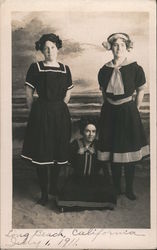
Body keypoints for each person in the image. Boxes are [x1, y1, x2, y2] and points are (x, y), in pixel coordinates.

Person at [21, 33, 74, 205]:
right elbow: (29, 94)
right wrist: (36, 111)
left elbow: (68, 93)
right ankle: (44, 192)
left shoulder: (65, 69)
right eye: (46, 48)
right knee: (42, 152)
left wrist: (58, 107)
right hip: (41, 114)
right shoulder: (35, 67)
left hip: (60, 114)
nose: (49, 50)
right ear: (41, 51)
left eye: (52, 47)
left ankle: (53, 187)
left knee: (59, 151)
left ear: (57, 49)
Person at [97, 33, 149, 200]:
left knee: (128, 150)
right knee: (113, 150)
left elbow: (141, 89)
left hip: (128, 112)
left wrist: (135, 107)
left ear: (127, 47)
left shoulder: (135, 68)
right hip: (110, 113)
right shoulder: (104, 70)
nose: (118, 48)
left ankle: (129, 189)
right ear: (110, 48)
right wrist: (109, 106)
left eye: (121, 45)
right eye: (115, 45)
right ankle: (117, 187)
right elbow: (104, 93)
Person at [56, 117, 117, 211]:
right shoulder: (75, 144)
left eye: (93, 131)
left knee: (108, 192)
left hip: (94, 178)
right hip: (77, 178)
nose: (90, 134)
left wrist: (108, 182)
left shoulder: (99, 145)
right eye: (87, 131)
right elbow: (68, 165)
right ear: (82, 131)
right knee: (67, 191)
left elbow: (105, 167)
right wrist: (66, 181)